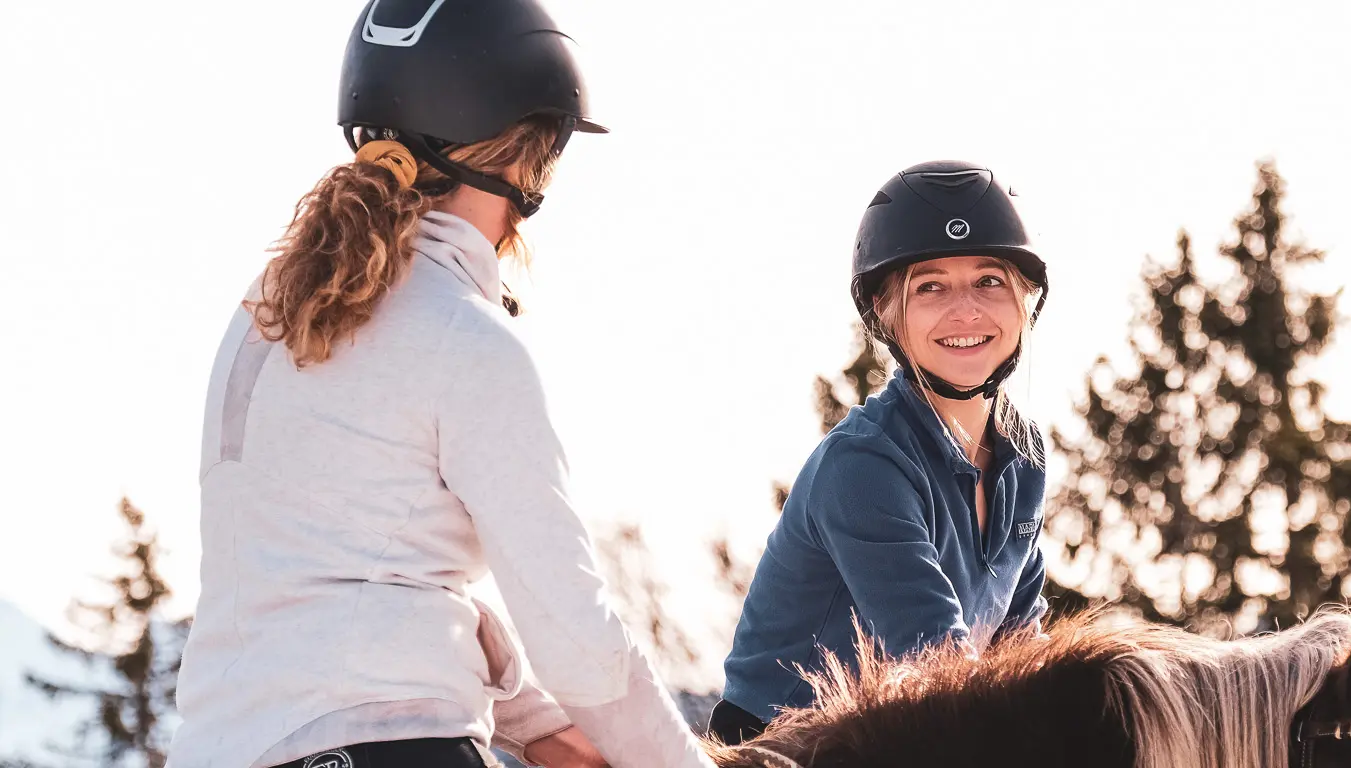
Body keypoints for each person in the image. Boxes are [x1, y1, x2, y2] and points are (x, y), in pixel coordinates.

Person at [167, 2, 717, 767]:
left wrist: (529, 720)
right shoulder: (468, 340)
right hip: (391, 748)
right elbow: (573, 632)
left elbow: (347, 576)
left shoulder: (267, 314)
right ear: (530, 158)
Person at [709, 161, 1052, 744]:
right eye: (931, 287)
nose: (965, 310)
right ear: (887, 314)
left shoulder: (1024, 455)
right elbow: (936, 660)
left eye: (989, 280)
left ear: (1026, 302)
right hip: (783, 746)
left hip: (901, 737)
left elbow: (1021, 646)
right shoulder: (864, 467)